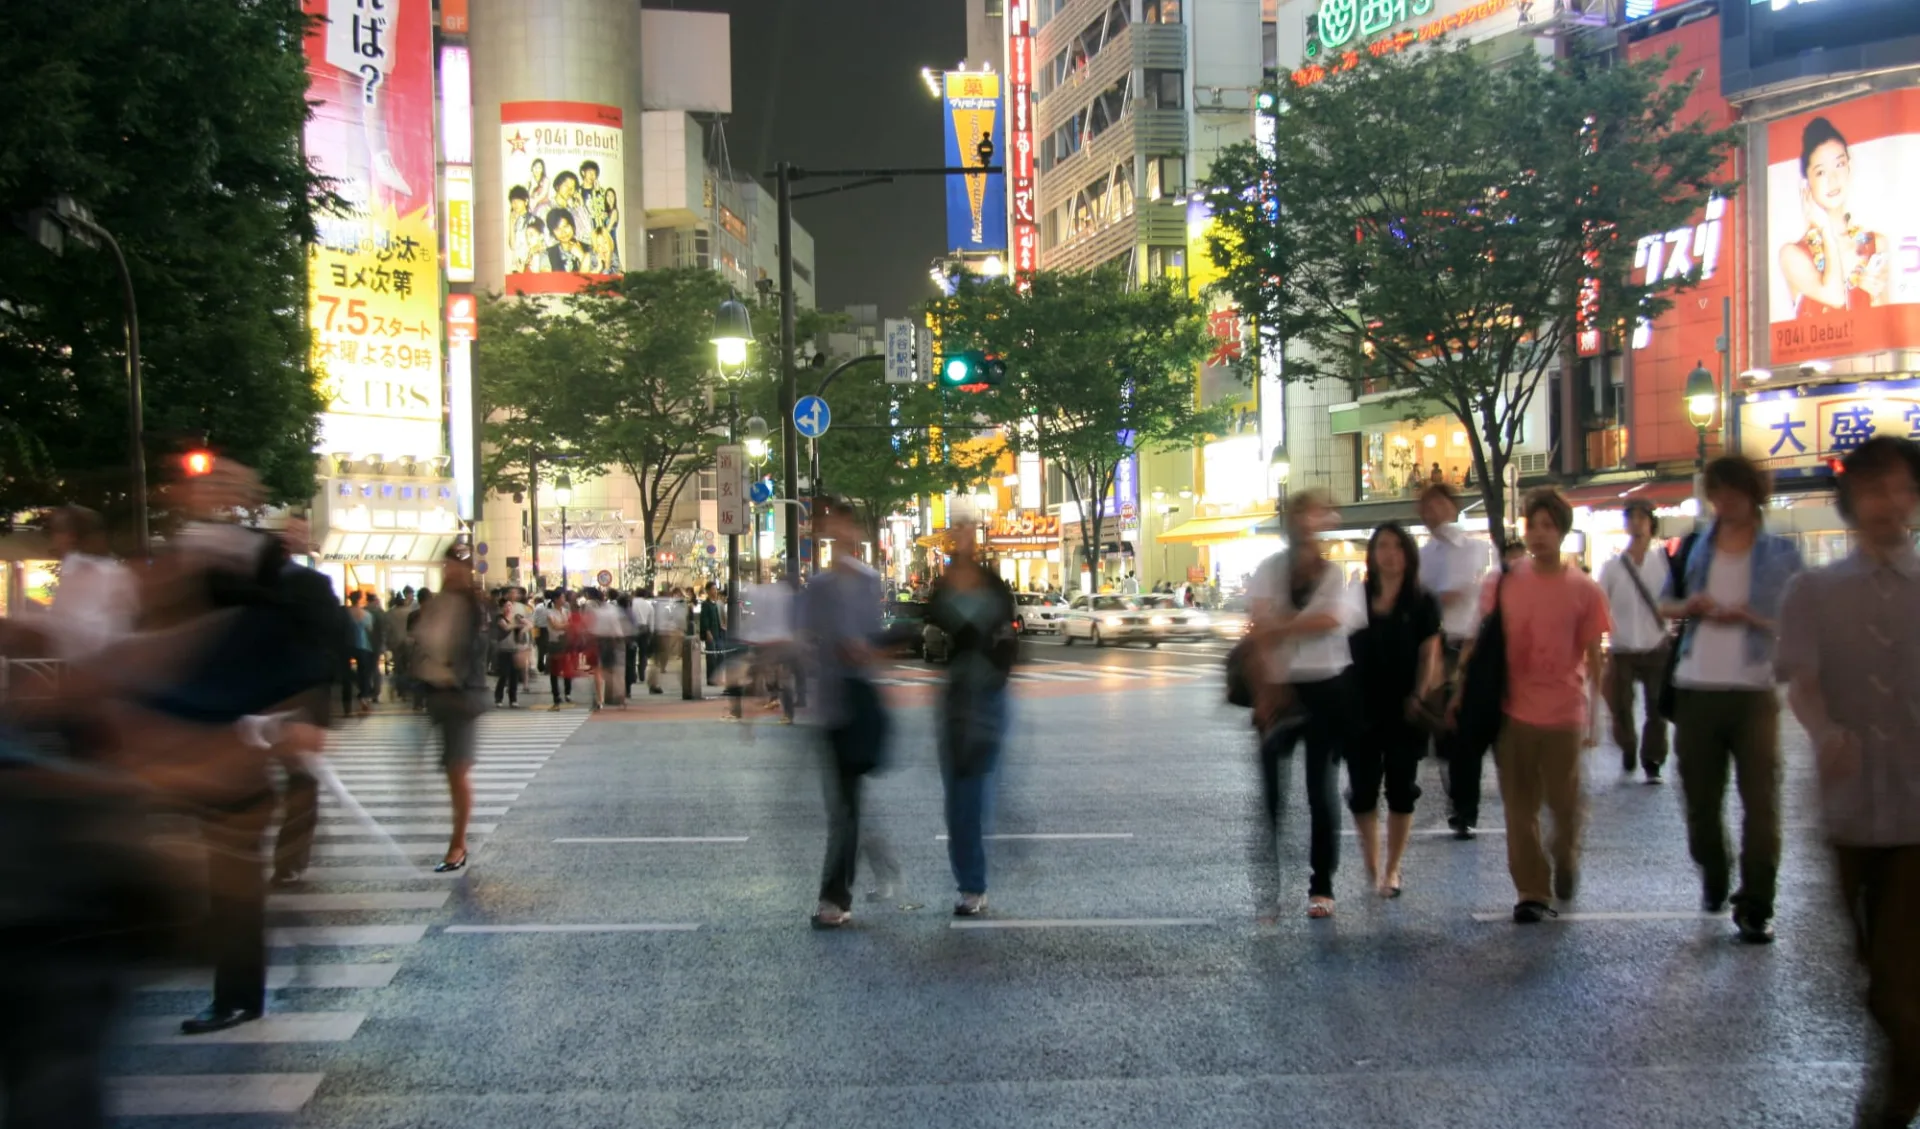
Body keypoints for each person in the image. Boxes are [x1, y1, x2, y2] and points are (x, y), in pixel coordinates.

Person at [1776, 436, 1920, 1127]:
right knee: (1869, 965)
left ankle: (1895, 1098)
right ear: (1851, 503)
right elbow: (1801, 680)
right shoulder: (1815, 590)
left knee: (1896, 974)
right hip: (1851, 808)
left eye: (1899, 488)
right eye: (1873, 490)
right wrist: (1825, 730)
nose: (1888, 503)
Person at [1661, 455, 1804, 943]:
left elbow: (1801, 619)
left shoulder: (1783, 552)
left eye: (1733, 493)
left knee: (1761, 803)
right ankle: (1714, 869)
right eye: (1716, 493)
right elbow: (1665, 601)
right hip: (1696, 686)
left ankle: (1755, 903)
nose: (1724, 502)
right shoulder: (1695, 545)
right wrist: (1690, 606)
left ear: (1753, 494)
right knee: (1700, 803)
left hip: (1754, 690)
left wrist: (1754, 617)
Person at [1455, 488, 1609, 924]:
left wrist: (1596, 715)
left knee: (1563, 805)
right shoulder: (1503, 582)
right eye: (1532, 525)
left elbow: (1593, 654)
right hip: (1513, 712)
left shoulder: (1584, 590)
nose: (1539, 534)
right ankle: (1531, 890)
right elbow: (1482, 641)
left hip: (1563, 714)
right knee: (1519, 809)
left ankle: (1566, 854)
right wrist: (1462, 684)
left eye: (1548, 526)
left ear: (1562, 531)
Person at [1248, 489, 1364, 920]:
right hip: (1278, 689)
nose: (1303, 523)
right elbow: (1259, 633)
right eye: (1296, 515)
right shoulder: (1269, 569)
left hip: (1326, 690)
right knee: (1271, 797)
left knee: (1321, 790)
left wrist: (1280, 627)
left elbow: (1330, 619)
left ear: (1323, 522)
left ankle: (1322, 886)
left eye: (1310, 515)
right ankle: (1269, 888)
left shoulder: (1336, 575)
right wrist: (1263, 695)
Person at [805, 497, 897, 928]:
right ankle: (861, 871)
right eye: (829, 524)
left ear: (854, 530)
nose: (836, 532)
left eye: (842, 524)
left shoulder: (867, 581)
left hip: (856, 702)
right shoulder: (818, 585)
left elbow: (872, 639)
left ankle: (835, 896)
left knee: (845, 807)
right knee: (844, 807)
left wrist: (869, 650)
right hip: (828, 705)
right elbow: (804, 635)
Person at [926, 515, 1020, 916]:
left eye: (967, 529)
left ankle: (974, 878)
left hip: (990, 696)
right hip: (956, 699)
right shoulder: (942, 589)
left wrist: (996, 669)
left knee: (979, 791)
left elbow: (1012, 637)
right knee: (960, 797)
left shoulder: (994, 585)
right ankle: (971, 883)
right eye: (955, 531)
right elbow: (928, 635)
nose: (961, 537)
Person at [1347, 522, 1442, 898]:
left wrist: (1420, 694)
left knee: (1402, 789)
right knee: (1363, 790)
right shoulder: (1357, 596)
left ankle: (1392, 868)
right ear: (1372, 554)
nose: (1389, 553)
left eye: (1397, 546)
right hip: (1362, 704)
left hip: (1405, 707)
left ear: (1408, 554)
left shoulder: (1421, 601)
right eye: (1382, 546)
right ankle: (1372, 862)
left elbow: (1430, 652)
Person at [1418, 482, 1492, 838]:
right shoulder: (1423, 553)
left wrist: (1428, 602)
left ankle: (1465, 808)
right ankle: (1458, 800)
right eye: (1426, 507)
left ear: (1453, 507)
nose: (1432, 513)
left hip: (1466, 645)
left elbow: (1457, 590)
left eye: (1438, 505)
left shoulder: (1474, 548)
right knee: (1443, 731)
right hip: (1434, 646)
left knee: (1466, 728)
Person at [411, 545, 490, 873]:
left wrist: (455, 679)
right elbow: (420, 644)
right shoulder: (438, 604)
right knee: (449, 769)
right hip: (436, 692)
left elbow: (476, 651)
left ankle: (458, 844)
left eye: (459, 565)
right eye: (449, 564)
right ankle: (456, 841)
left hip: (461, 696)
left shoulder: (475, 607)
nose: (452, 570)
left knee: (457, 769)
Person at [1779, 116, 1890, 317]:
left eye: (1839, 165)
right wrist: (1825, 230)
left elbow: (1892, 327)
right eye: (1821, 172)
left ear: (1850, 167)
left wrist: (1875, 296)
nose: (1833, 179)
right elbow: (1836, 297)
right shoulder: (1794, 254)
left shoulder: (1876, 244)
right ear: (1807, 183)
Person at [1597, 499, 1674, 782]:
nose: (1637, 523)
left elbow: (1673, 598)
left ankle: (1652, 758)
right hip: (1622, 646)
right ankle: (1627, 745)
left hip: (1656, 645)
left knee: (1657, 706)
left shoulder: (1663, 562)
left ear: (1651, 523)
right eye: (1632, 517)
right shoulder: (1613, 566)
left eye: (1643, 517)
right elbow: (1600, 604)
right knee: (1621, 705)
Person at [493, 590, 531, 708]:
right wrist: (518, 625)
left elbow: (529, 624)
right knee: (504, 675)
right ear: (502, 607)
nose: (508, 608)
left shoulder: (517, 617)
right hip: (503, 649)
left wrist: (522, 631)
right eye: (506, 606)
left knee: (514, 676)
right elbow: (506, 627)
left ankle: (513, 699)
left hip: (515, 650)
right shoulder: (500, 618)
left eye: (510, 605)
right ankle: (498, 698)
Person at [650, 586, 686, 695]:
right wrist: (680, 630)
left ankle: (654, 684)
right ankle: (685, 682)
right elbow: (678, 619)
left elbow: (652, 619)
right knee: (675, 660)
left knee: (656, 661)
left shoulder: (655, 604)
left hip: (657, 633)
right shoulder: (671, 604)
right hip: (670, 633)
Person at [547, 590, 576, 708]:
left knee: (567, 668)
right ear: (556, 599)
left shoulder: (566, 611)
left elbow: (570, 625)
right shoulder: (549, 612)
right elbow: (555, 626)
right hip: (554, 643)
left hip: (565, 642)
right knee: (555, 671)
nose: (564, 599)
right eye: (562, 597)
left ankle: (568, 692)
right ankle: (556, 695)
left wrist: (563, 625)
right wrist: (565, 625)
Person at [699, 582, 727, 688]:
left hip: (719, 632)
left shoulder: (718, 603)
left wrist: (724, 625)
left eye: (715, 589)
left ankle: (718, 677)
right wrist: (707, 632)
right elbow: (704, 619)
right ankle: (711, 679)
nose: (714, 591)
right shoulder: (706, 605)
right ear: (708, 591)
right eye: (712, 589)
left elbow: (723, 617)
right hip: (711, 633)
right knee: (711, 657)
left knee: (721, 655)